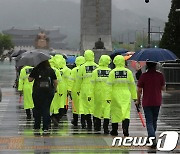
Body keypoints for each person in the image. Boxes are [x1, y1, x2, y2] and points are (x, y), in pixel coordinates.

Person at [137, 62, 165, 148]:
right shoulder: (160, 75)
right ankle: (151, 136)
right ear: (155, 65)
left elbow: (139, 90)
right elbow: (163, 88)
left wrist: (138, 100)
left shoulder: (144, 76)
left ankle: (152, 138)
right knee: (154, 120)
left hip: (147, 101)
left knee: (149, 121)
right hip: (157, 101)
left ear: (147, 66)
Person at [107, 55, 137, 136]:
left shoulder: (112, 72)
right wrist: (134, 97)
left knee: (115, 112)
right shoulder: (128, 72)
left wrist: (108, 97)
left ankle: (114, 130)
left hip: (115, 94)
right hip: (126, 94)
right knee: (126, 112)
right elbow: (132, 85)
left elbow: (109, 86)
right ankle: (125, 129)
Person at [28, 60, 58, 134]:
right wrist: (55, 89)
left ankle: (37, 126)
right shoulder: (51, 70)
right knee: (46, 108)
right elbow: (55, 81)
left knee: (37, 108)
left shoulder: (36, 69)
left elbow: (30, 80)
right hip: (48, 92)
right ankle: (45, 127)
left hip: (37, 92)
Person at [77, 50, 98, 130]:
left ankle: (88, 124)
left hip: (85, 88)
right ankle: (96, 123)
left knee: (85, 107)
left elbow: (79, 80)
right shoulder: (97, 66)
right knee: (95, 106)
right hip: (95, 88)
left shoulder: (82, 67)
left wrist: (78, 90)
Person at [91, 55, 111, 134]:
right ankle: (106, 128)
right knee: (107, 110)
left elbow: (92, 83)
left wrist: (91, 94)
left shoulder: (96, 71)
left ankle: (97, 126)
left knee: (97, 109)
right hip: (108, 94)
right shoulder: (110, 71)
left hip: (98, 93)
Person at [70, 56, 85, 127]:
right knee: (83, 105)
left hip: (75, 89)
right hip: (84, 89)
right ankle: (83, 121)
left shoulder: (74, 70)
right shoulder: (85, 68)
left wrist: (69, 90)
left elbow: (71, 81)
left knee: (75, 106)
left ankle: (75, 120)